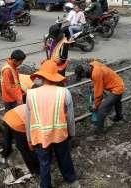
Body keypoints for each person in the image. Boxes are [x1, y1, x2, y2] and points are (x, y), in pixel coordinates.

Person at [26, 60, 80, 188]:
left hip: (40, 137)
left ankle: (45, 186)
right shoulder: (64, 93)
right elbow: (70, 118)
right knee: (64, 158)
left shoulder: (30, 94)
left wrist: (29, 140)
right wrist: (71, 134)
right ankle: (72, 181)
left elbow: (28, 120)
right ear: (55, 76)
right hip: (59, 135)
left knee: (44, 163)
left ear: (42, 76)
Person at [75, 59, 125, 135]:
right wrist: (95, 84)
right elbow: (100, 78)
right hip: (118, 82)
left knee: (101, 109)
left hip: (117, 88)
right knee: (116, 101)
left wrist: (96, 105)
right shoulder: (93, 64)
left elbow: (99, 95)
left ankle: (99, 132)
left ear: (84, 72)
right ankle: (119, 117)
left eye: (83, 76)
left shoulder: (95, 74)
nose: (84, 77)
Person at [0, 49, 26, 158]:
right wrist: (19, 98)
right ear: (14, 60)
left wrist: (22, 92)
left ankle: (9, 144)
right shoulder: (8, 70)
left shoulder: (12, 67)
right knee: (12, 122)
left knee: (11, 121)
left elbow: (15, 83)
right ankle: (8, 147)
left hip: (13, 98)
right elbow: (9, 87)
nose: (21, 64)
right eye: (20, 62)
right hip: (11, 100)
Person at [2, 103, 40, 175]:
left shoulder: (32, 104)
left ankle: (5, 154)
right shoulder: (37, 113)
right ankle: (35, 170)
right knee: (25, 148)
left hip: (8, 116)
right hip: (17, 123)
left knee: (7, 140)